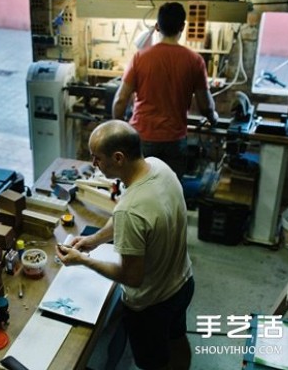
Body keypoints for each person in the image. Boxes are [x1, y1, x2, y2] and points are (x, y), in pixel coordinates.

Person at [56, 120, 194, 370]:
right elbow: (131, 218)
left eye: (97, 158)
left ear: (118, 158)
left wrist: (83, 260)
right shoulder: (159, 167)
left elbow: (132, 277)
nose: (94, 164)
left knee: (153, 363)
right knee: (176, 338)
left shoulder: (130, 210)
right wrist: (93, 240)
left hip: (152, 304)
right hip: (182, 282)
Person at [112, 2, 219, 179]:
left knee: (138, 190)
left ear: (157, 27)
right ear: (182, 27)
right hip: (174, 141)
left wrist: (118, 129)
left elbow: (120, 101)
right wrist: (213, 118)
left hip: (142, 138)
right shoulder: (195, 61)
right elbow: (205, 105)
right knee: (170, 194)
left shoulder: (140, 57)